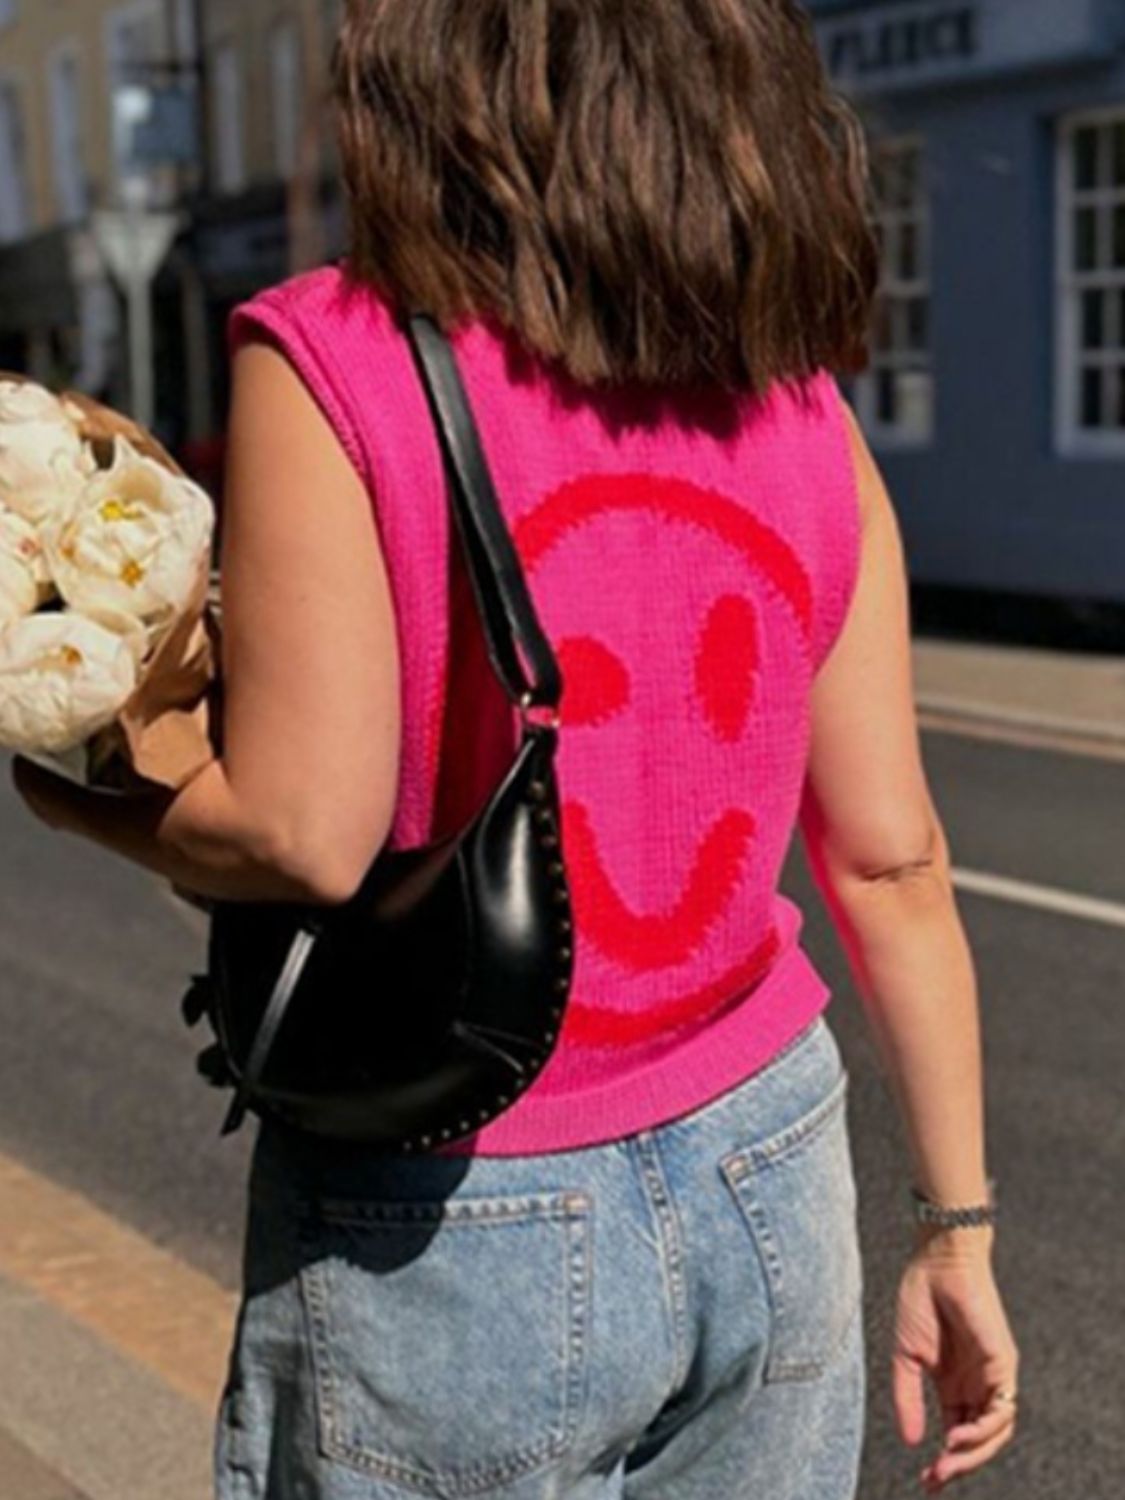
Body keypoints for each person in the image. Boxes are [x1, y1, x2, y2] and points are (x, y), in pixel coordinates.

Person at [11, 2, 1019, 1496]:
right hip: (775, 1161)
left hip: (458, 1193)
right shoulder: (794, 390)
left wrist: (73, 777)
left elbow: (303, 828)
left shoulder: (330, 357)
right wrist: (957, 1229)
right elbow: (891, 857)